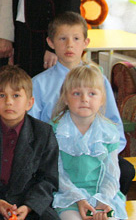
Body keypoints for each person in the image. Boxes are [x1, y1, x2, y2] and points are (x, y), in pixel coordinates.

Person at [28, 12, 133, 195]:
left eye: (76, 39)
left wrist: (105, 153)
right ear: (51, 42)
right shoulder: (38, 84)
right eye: (62, 39)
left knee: (125, 171)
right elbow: (32, 128)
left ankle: (102, 206)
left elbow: (113, 123)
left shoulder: (99, 80)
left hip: (96, 154)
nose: (69, 45)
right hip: (57, 156)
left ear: (86, 42)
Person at [0, 66, 60, 220]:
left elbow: (48, 179)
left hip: (29, 204)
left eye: (16, 95)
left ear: (29, 103)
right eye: (2, 96)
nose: (9, 102)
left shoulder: (43, 133)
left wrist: (28, 207)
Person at [50, 64, 127, 220]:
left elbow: (112, 174)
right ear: (65, 98)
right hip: (68, 197)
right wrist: (79, 199)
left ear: (102, 99)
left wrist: (103, 200)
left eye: (92, 93)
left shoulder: (108, 131)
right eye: (77, 93)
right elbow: (57, 173)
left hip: (102, 197)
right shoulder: (55, 130)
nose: (84, 99)